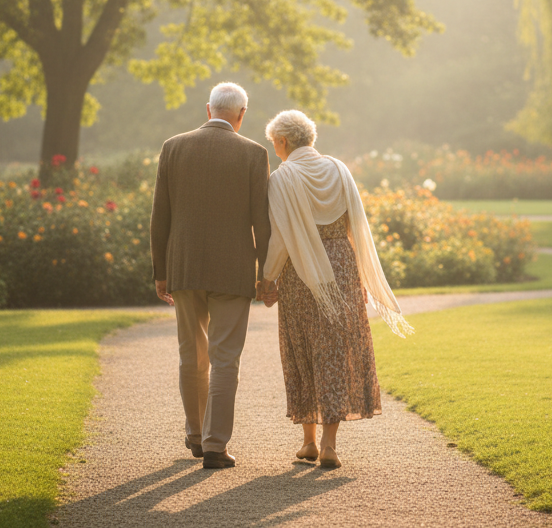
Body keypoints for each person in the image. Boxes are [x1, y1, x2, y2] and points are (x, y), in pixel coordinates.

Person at [256, 109, 412, 470]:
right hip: (341, 268)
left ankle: (307, 441)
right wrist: (359, 273)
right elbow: (356, 225)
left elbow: (280, 238)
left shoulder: (283, 177)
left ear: (282, 142)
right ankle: (328, 445)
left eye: (274, 143)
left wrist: (267, 278)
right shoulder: (339, 170)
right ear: (310, 138)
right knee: (334, 352)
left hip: (301, 272)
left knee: (302, 348)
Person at [149, 82, 271, 470]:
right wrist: (267, 274)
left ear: (208, 110)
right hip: (233, 270)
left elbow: (160, 217)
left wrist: (160, 271)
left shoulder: (173, 147)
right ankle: (215, 444)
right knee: (225, 359)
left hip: (183, 266)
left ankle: (195, 435)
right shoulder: (254, 153)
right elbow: (262, 222)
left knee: (191, 354)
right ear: (241, 114)